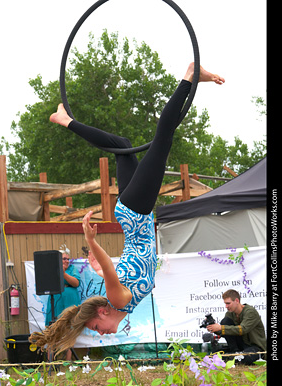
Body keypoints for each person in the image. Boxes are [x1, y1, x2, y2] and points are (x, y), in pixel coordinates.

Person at [29, 63, 225, 356]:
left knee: (163, 139)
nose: (101, 333)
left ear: (102, 314)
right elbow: (113, 267)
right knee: (122, 145)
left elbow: (109, 269)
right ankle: (64, 119)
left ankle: (189, 76)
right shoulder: (126, 303)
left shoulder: (117, 301)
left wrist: (92, 243)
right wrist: (95, 254)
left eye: (95, 328)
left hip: (136, 213)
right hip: (132, 215)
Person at [206, 289, 266, 364]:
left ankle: (233, 357)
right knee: (225, 322)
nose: (226, 306)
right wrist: (212, 328)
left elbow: (242, 330)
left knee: (247, 357)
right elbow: (228, 332)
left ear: (237, 301)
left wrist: (221, 328)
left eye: (228, 303)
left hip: (255, 347)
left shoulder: (250, 312)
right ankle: (234, 353)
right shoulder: (230, 313)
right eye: (225, 303)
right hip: (239, 347)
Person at [44, 247, 81, 360]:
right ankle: (51, 360)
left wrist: (64, 273)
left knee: (70, 330)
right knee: (52, 329)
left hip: (70, 303)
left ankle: (68, 361)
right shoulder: (52, 269)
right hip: (55, 302)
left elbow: (76, 283)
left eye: (67, 259)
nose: (66, 261)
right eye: (64, 259)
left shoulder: (72, 269)